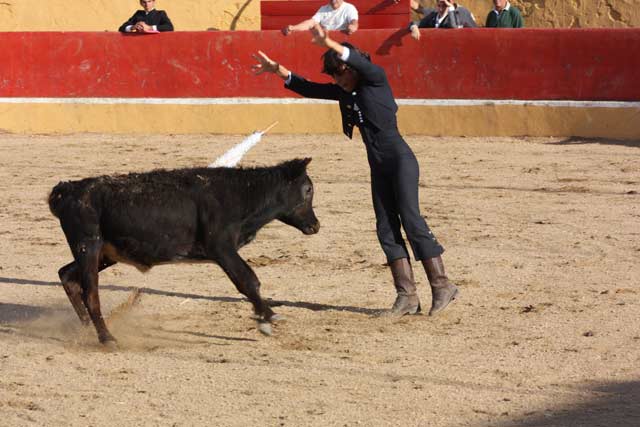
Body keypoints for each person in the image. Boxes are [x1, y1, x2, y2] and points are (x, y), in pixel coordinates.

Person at [252, 25, 459, 316]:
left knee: (411, 221)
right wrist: (279, 71)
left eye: (340, 72)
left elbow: (360, 62)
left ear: (352, 69)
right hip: (378, 166)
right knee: (386, 228)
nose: (337, 79)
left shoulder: (375, 80)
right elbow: (310, 88)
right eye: (334, 75)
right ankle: (407, 296)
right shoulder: (344, 92)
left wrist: (331, 43)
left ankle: (442, 285)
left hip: (400, 161)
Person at [282, 0, 358, 36]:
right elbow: (311, 22)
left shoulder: (349, 8)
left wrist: (353, 26)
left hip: (342, 41)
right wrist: (292, 28)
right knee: (314, 24)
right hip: (325, 41)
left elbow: (354, 21)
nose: (333, 1)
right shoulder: (323, 9)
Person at [408, 0, 477, 40]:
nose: (440, 9)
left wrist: (450, 7)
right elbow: (418, 14)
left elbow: (453, 27)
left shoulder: (461, 12)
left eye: (444, 6)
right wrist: (414, 27)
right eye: (439, 6)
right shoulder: (434, 15)